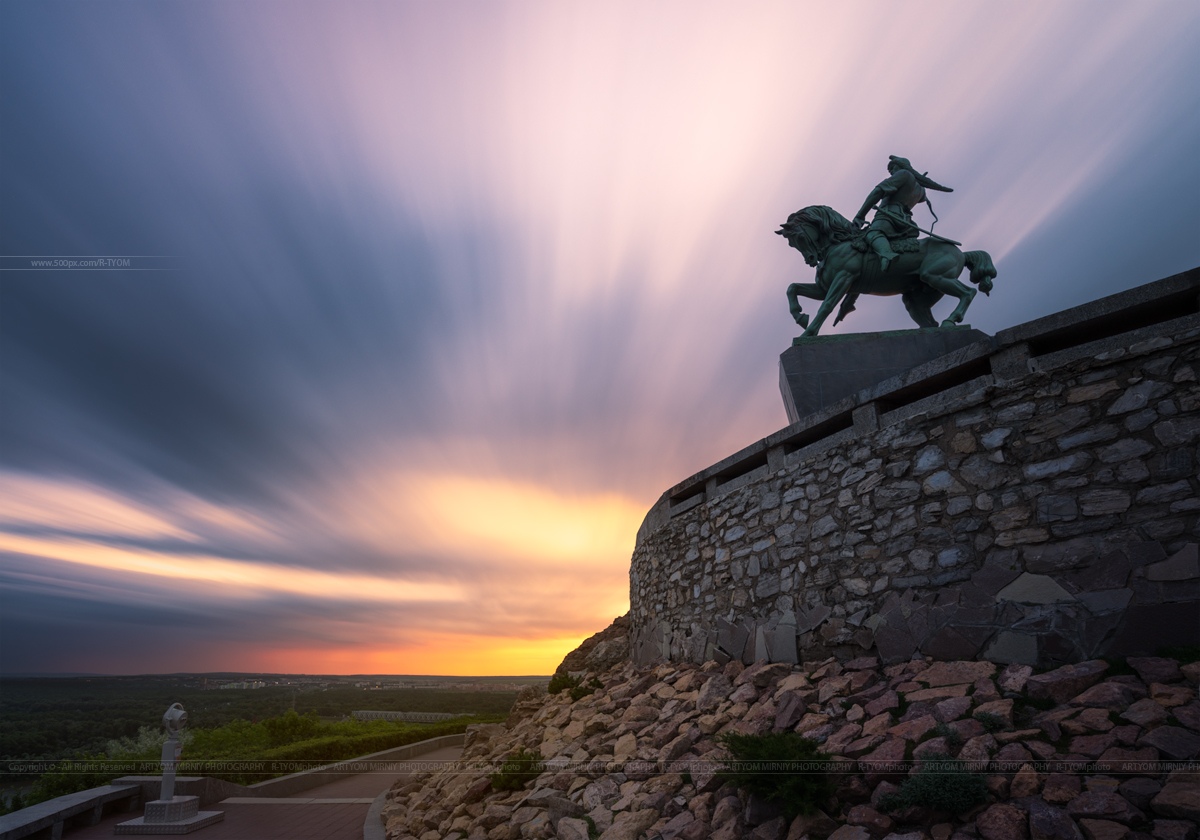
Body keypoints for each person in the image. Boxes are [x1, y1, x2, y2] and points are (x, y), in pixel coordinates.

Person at [852, 156, 953, 273]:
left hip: (889, 216)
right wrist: (918, 181)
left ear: (901, 166)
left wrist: (860, 215)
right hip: (906, 221)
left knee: (872, 234)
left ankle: (887, 255)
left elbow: (878, 192)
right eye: (890, 171)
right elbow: (921, 198)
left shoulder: (903, 174)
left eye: (893, 168)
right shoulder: (920, 189)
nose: (891, 173)